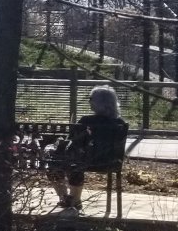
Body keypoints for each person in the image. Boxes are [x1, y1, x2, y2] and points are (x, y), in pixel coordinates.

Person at [51, 85, 130, 215]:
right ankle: (74, 200)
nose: (89, 101)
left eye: (91, 98)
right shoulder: (120, 123)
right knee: (76, 161)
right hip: (111, 162)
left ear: (99, 102)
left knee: (55, 162)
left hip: (85, 161)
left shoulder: (86, 121)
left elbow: (72, 141)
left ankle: (67, 198)